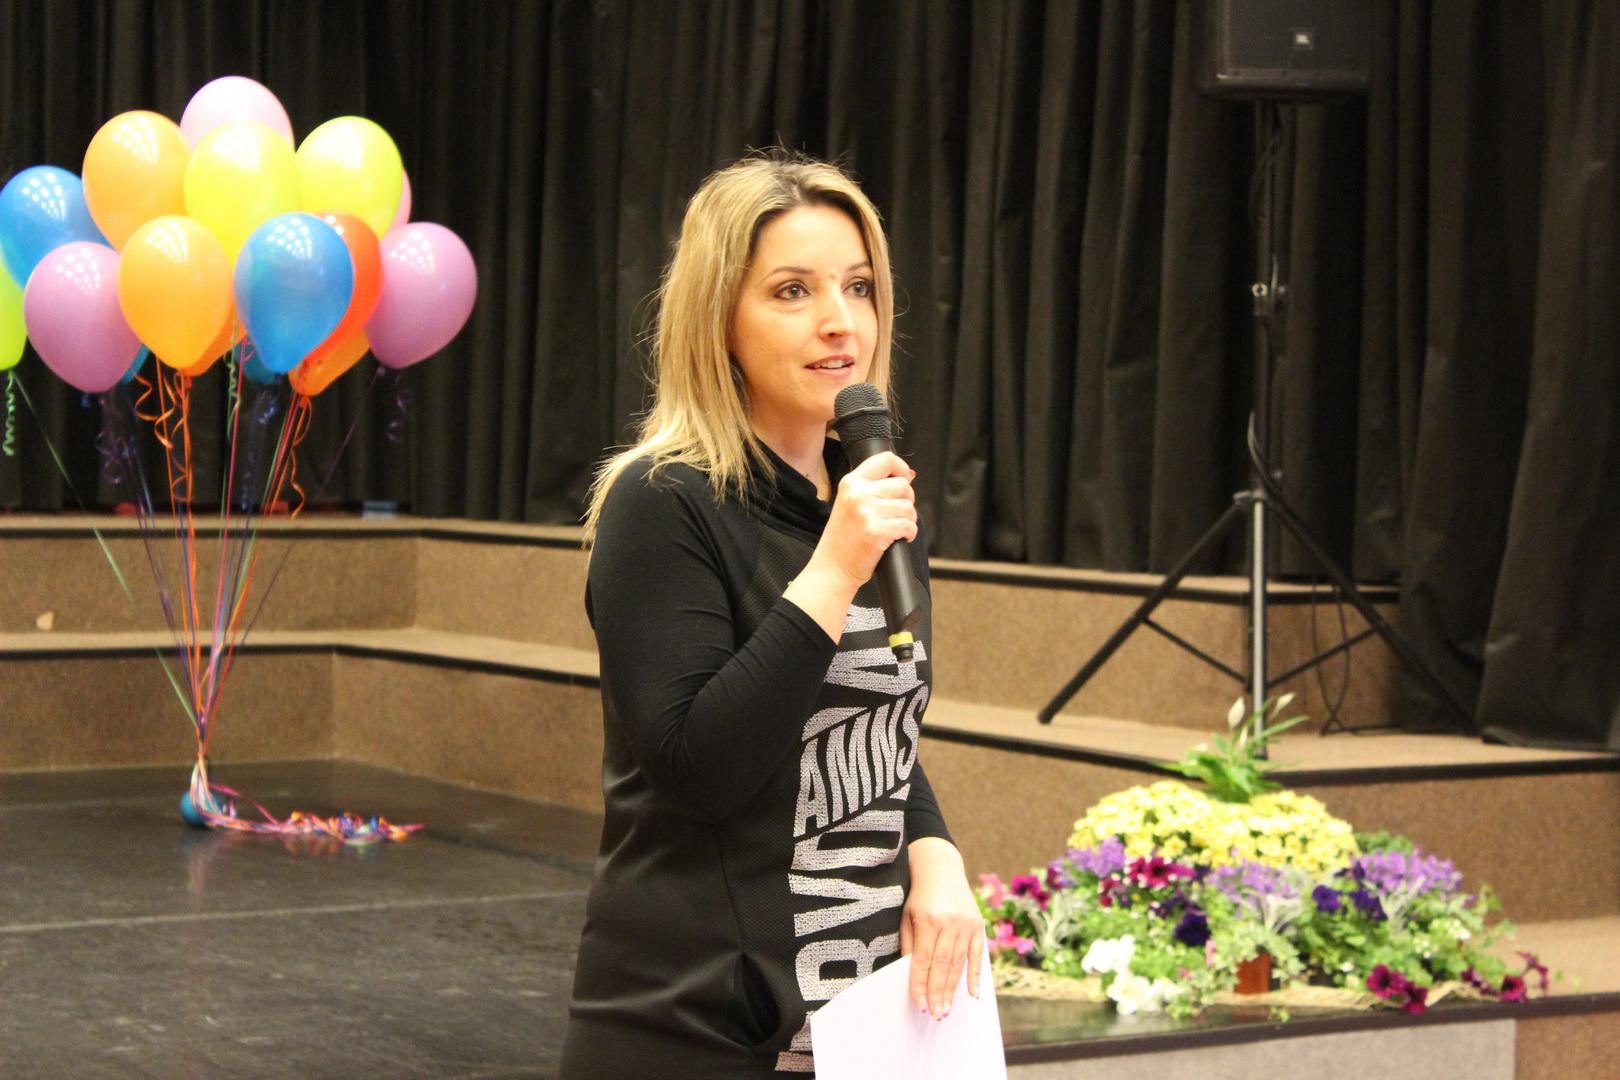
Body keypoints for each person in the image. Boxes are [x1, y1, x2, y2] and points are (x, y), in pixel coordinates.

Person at [558, 152, 983, 1078]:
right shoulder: (662, 501)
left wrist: (936, 853)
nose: (840, 321)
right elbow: (697, 768)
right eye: (793, 291)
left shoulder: (867, 497)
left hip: (854, 1025)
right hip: (693, 1027)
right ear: (720, 319)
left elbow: (870, 726)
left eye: (858, 287)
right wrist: (834, 566)